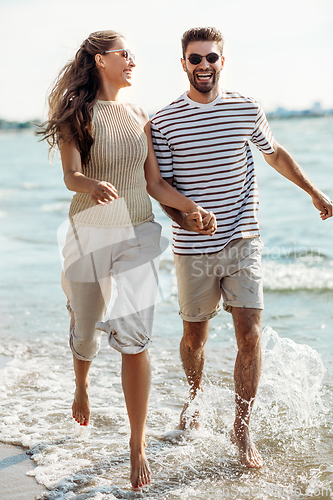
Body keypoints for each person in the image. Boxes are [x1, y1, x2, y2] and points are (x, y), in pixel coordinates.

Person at [37, 30, 214, 490]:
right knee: (87, 324)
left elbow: (154, 183)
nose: (132, 60)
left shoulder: (141, 115)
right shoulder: (75, 116)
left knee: (136, 338)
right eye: (123, 54)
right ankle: (82, 382)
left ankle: (136, 445)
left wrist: (189, 210)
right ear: (100, 61)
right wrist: (91, 186)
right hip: (92, 229)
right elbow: (72, 175)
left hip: (139, 230)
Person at [150, 26, 333, 469]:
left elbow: (274, 154)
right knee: (195, 336)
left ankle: (241, 428)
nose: (204, 66)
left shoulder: (246, 108)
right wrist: (188, 217)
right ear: (184, 65)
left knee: (249, 336)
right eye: (196, 59)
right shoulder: (163, 121)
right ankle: (193, 402)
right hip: (192, 249)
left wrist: (314, 192)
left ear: (222, 62)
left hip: (244, 239)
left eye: (211, 58)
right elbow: (162, 189)